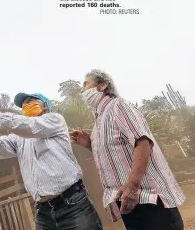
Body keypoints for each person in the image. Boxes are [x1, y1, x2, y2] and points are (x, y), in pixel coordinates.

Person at [0, 92, 103, 230]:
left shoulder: (54, 121)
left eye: (30, 101)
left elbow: (31, 126)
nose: (25, 104)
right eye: (23, 104)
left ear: (44, 107)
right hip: (43, 212)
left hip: (73, 205)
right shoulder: (19, 138)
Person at [70, 69, 185, 230]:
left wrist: (131, 187)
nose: (82, 90)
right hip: (126, 199)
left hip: (146, 198)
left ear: (103, 85)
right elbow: (113, 154)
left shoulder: (118, 106)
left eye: (86, 84)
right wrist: (90, 144)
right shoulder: (99, 120)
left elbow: (143, 143)